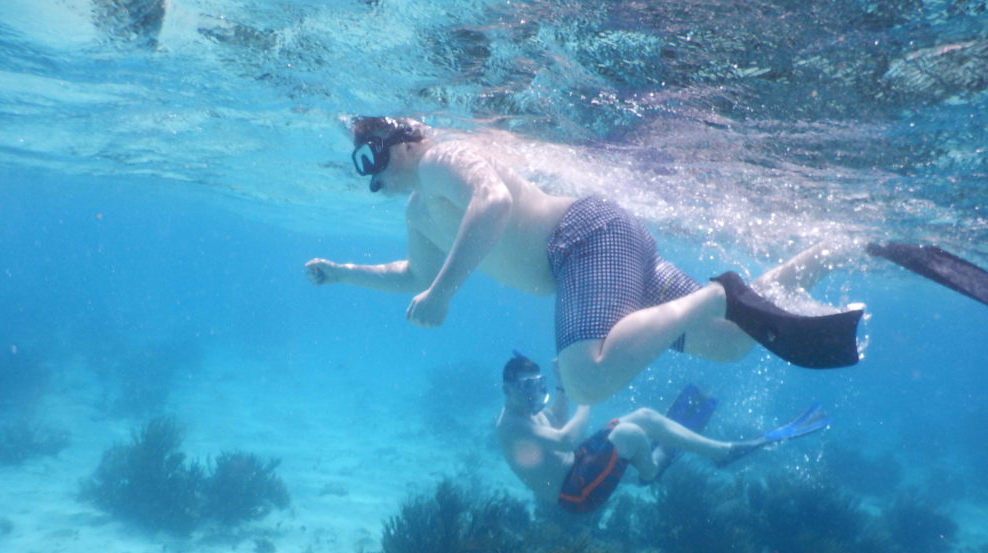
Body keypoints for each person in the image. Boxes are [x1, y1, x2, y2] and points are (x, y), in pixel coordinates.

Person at [305, 116, 867, 405]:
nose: (371, 174)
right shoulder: (418, 213)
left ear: (403, 142)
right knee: (730, 341)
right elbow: (417, 278)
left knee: (586, 379)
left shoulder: (440, 158)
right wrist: (341, 274)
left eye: (371, 155)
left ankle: (717, 294)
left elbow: (493, 202)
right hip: (599, 247)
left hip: (583, 240)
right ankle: (830, 253)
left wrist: (445, 294)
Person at [495, 353, 828, 513]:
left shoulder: (528, 409)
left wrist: (563, 385)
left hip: (580, 465)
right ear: (507, 390)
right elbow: (566, 438)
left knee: (644, 416)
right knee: (628, 433)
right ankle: (649, 473)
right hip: (574, 494)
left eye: (536, 385)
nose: (532, 393)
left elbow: (556, 419)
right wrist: (586, 394)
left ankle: (723, 452)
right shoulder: (512, 424)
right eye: (525, 387)